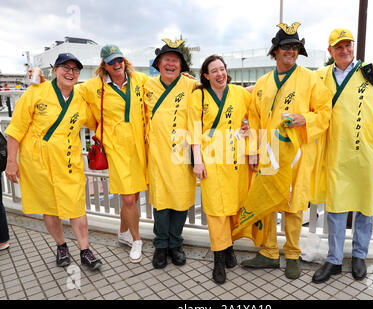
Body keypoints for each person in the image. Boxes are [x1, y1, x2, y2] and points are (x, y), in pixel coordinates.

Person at [311, 28, 373, 284]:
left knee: (366, 207)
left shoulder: (370, 72)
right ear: (330, 51)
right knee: (335, 208)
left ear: (353, 47)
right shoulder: (322, 76)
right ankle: (333, 260)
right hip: (336, 151)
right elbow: (297, 88)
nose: (344, 51)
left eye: (348, 46)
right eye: (338, 47)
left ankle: (359, 256)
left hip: (367, 152)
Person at [240, 22, 332, 280]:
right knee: (267, 202)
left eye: (295, 47)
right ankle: (268, 252)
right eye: (286, 47)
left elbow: (325, 111)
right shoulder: (262, 82)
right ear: (275, 51)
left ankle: (292, 253)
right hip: (269, 152)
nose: (291, 51)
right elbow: (254, 118)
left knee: (294, 205)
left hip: (297, 153)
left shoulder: (310, 79)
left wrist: (306, 120)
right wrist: (254, 151)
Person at [4, 53, 102, 270]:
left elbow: (98, 122)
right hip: (37, 162)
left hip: (68, 162)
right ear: (54, 70)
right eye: (65, 67)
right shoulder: (36, 92)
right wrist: (12, 161)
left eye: (75, 70)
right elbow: (15, 129)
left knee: (77, 208)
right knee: (50, 209)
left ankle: (85, 250)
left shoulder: (81, 99)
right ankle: (61, 246)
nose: (70, 72)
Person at [78, 45, 149, 263]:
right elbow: (69, 91)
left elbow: (165, 88)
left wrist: (185, 76)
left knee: (134, 196)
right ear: (104, 65)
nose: (116, 64)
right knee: (128, 198)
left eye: (119, 59)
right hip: (116, 148)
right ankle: (136, 239)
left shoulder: (141, 80)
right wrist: (42, 85)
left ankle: (122, 232)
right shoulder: (93, 86)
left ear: (124, 60)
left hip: (140, 146)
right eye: (111, 61)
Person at [188, 55, 251, 284]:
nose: (219, 74)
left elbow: (254, 112)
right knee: (216, 208)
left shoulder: (239, 93)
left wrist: (250, 139)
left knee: (233, 205)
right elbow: (194, 128)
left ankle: (229, 247)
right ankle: (218, 259)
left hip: (235, 156)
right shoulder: (199, 95)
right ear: (205, 75)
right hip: (211, 157)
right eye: (213, 70)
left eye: (222, 69)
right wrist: (197, 160)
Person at [143, 39, 197, 269]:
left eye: (175, 61)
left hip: (182, 155)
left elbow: (217, 94)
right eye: (167, 60)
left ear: (181, 66)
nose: (171, 64)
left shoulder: (191, 86)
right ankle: (161, 245)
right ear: (158, 63)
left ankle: (176, 244)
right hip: (157, 155)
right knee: (161, 204)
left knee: (181, 202)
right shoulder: (146, 86)